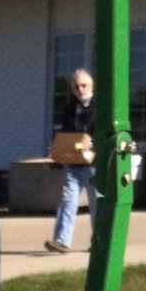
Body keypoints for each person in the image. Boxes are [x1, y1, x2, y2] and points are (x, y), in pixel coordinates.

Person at [47, 68, 96, 254]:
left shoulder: (101, 107)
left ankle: (98, 242)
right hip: (74, 164)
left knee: (96, 204)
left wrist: (92, 142)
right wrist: (58, 148)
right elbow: (65, 133)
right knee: (68, 201)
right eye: (76, 87)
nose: (80, 89)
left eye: (83, 85)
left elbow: (102, 132)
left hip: (94, 164)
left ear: (92, 86)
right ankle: (61, 241)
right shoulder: (70, 108)